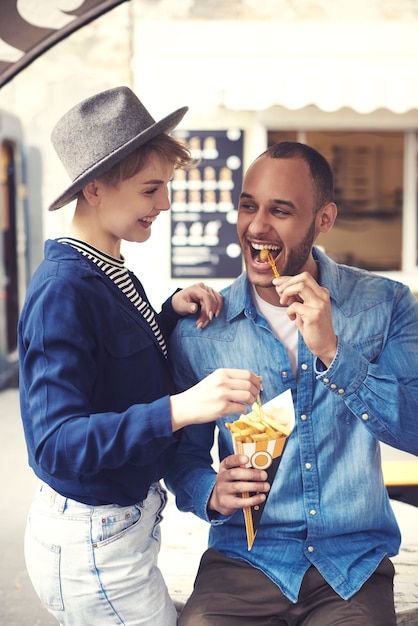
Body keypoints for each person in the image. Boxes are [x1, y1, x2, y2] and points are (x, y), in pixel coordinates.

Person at [17, 86, 262, 626]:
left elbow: (112, 362)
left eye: (167, 186)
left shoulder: (106, 268)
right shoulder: (64, 288)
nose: (166, 204)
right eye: (152, 188)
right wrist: (184, 408)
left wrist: (168, 312)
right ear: (96, 188)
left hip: (116, 535)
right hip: (92, 547)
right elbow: (55, 445)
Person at [165, 141, 418, 626]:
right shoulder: (201, 331)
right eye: (248, 206)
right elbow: (182, 456)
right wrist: (209, 492)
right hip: (244, 561)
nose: (257, 226)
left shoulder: (385, 305)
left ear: (323, 219)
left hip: (353, 565)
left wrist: (334, 354)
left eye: (280, 211)